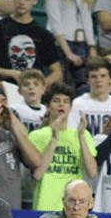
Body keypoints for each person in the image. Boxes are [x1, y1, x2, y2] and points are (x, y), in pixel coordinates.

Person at [29, 82, 97, 211]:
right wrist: (54, 139)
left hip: (74, 207)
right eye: (56, 100)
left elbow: (92, 172)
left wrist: (81, 136)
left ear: (70, 107)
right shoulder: (36, 136)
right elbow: (37, 175)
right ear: (47, 106)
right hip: (45, 204)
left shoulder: (83, 134)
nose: (61, 104)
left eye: (66, 101)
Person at [46, 0, 97, 87]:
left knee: (83, 84)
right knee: (62, 86)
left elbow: (87, 19)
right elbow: (55, 21)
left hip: (79, 42)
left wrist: (91, 46)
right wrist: (67, 52)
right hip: (60, 42)